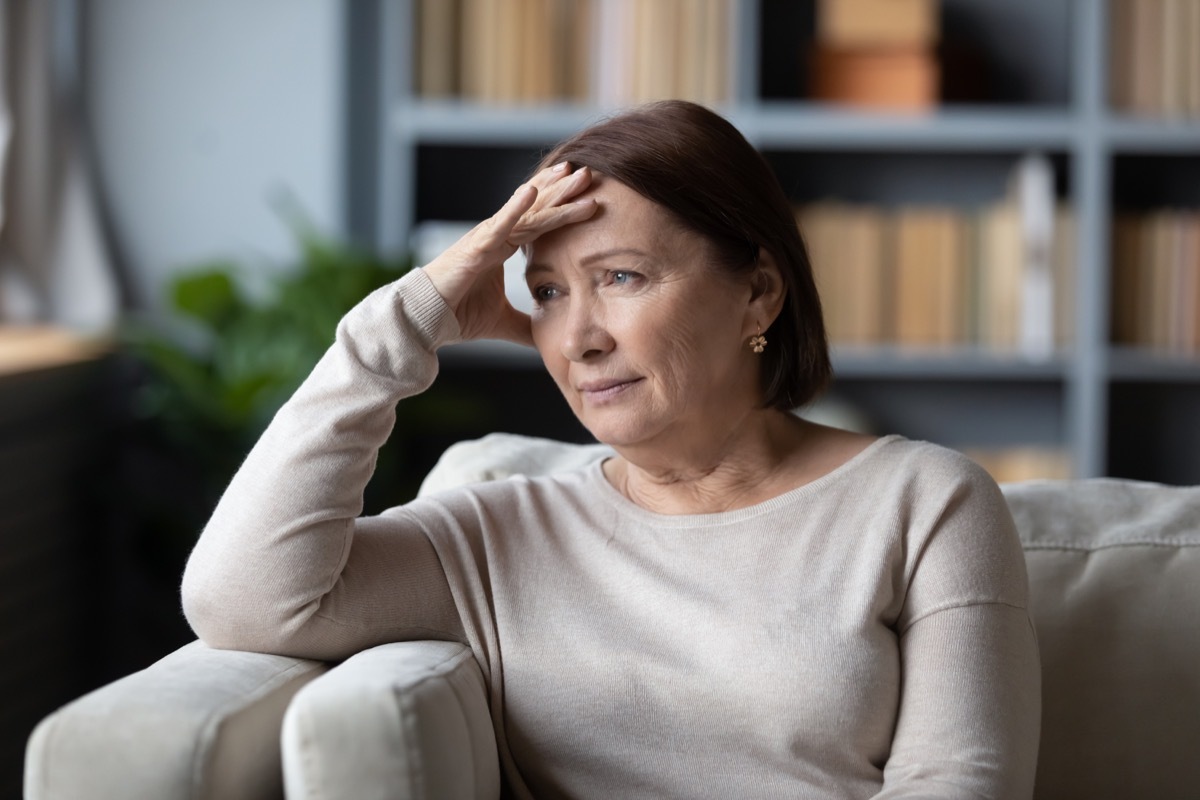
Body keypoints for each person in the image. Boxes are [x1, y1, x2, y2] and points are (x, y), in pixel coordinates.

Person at [182, 100, 1040, 798]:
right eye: (548, 292)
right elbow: (241, 599)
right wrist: (409, 324)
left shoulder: (927, 501)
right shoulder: (498, 532)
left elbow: (957, 782)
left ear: (759, 293)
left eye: (621, 277)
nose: (578, 337)